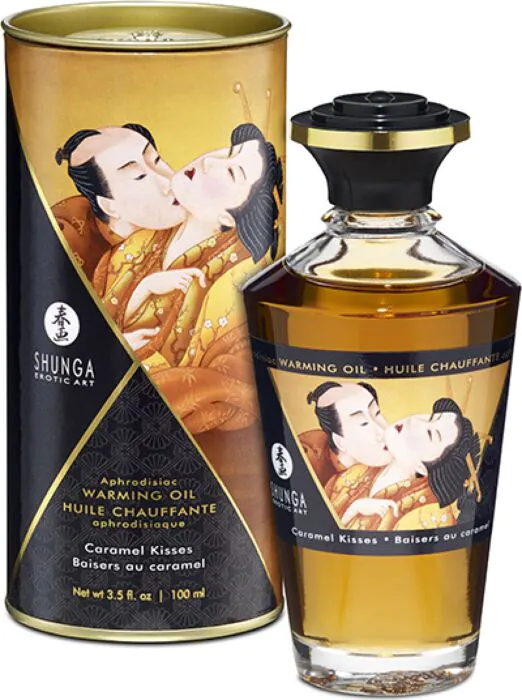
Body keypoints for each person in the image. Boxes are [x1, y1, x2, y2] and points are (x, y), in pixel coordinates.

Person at [53, 120, 284, 592]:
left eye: (233, 172)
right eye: (225, 152)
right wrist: (139, 296)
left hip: (189, 474)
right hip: (97, 466)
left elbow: (229, 389)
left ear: (232, 216)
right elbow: (91, 334)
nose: (210, 160)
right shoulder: (134, 248)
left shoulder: (236, 281)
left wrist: (134, 363)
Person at [336, 398, 482, 531]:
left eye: (430, 434)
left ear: (422, 468)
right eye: (431, 417)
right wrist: (354, 508)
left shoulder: (428, 515)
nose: (414, 421)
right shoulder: (358, 472)